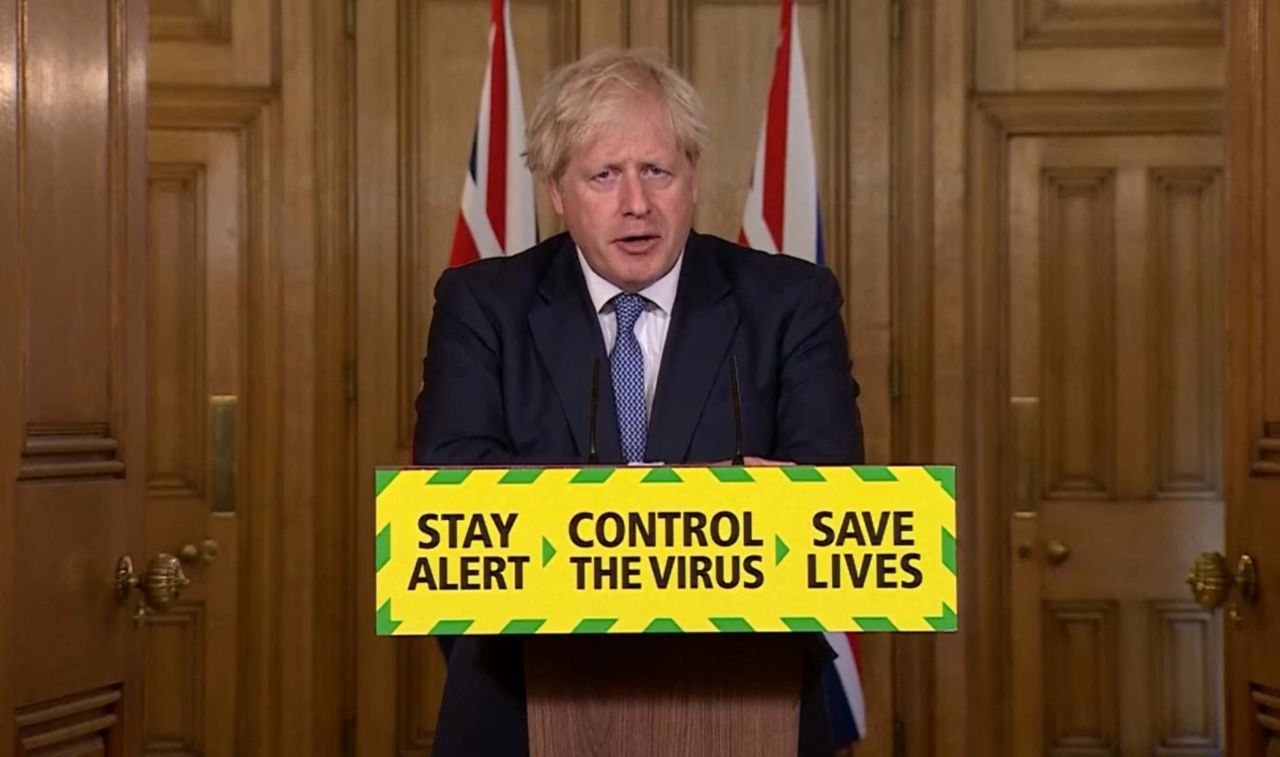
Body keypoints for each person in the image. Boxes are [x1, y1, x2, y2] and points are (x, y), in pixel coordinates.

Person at [414, 47, 864, 756]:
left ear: (693, 178)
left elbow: (833, 500)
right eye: (604, 175)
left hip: (750, 699)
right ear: (559, 192)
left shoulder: (788, 302)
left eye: (657, 171)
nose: (636, 204)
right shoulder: (483, 306)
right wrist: (708, 499)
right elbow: (452, 501)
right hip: (521, 701)